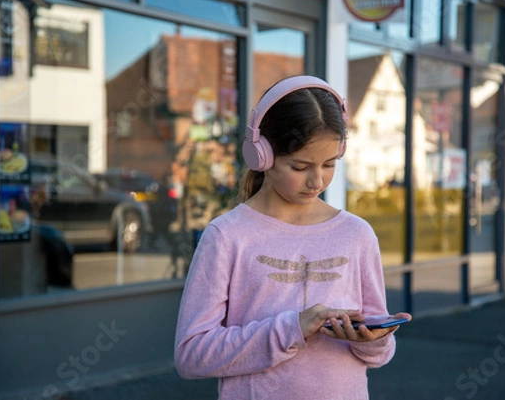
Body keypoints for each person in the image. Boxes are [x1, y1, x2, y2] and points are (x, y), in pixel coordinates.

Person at [174, 75, 411, 399]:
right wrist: (292, 328)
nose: (317, 180)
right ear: (262, 155)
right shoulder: (227, 236)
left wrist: (375, 339)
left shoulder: (357, 235)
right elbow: (191, 355)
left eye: (329, 164)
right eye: (300, 166)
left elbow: (381, 354)